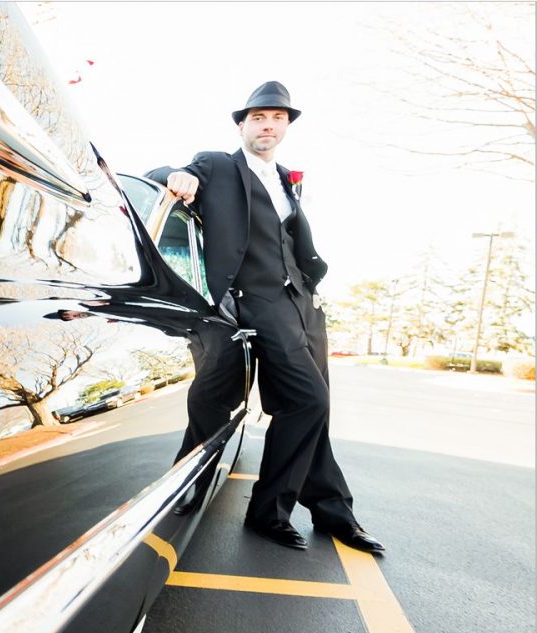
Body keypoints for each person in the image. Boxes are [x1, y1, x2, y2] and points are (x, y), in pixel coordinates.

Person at [146, 81, 383, 553]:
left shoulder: (287, 179)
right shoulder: (217, 165)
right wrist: (179, 175)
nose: (268, 125)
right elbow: (158, 174)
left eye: (277, 118)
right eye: (258, 117)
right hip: (254, 300)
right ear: (242, 125)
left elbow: (291, 241)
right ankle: (268, 512)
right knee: (307, 401)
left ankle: (332, 508)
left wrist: (310, 292)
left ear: (286, 127)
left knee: (316, 410)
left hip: (303, 303)